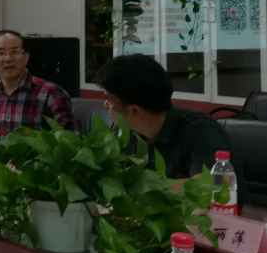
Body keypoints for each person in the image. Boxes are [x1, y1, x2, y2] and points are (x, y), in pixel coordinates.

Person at [95, 54, 246, 197]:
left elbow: (205, 186)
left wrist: (141, 186)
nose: (105, 105)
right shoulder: (123, 132)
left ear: (134, 111)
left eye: (109, 100)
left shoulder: (201, 130)